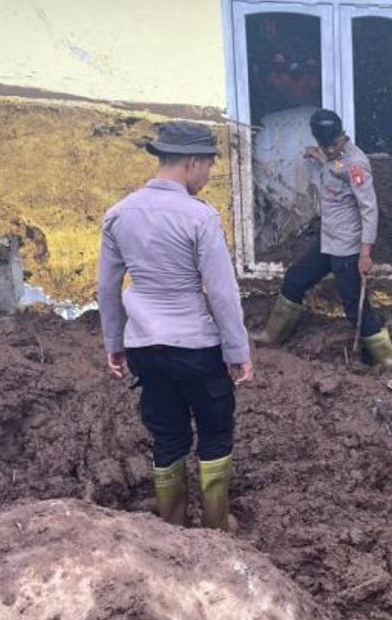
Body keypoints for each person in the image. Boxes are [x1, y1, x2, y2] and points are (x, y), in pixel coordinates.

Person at [97, 121, 252, 532]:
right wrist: (237, 352)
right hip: (196, 347)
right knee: (215, 431)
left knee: (167, 435)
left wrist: (115, 342)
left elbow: (108, 288)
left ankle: (171, 527)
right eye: (208, 167)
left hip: (145, 347)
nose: (207, 176)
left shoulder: (118, 214)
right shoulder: (200, 217)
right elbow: (221, 292)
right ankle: (217, 525)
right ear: (193, 162)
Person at [254, 109, 392, 369]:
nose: (330, 150)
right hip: (328, 242)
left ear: (342, 137)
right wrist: (319, 157)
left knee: (355, 308)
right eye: (324, 146)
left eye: (333, 145)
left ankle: (386, 362)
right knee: (295, 278)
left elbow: (369, 209)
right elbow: (334, 170)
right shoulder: (335, 158)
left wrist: (365, 253)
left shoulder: (356, 164)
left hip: (347, 249)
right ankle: (271, 337)